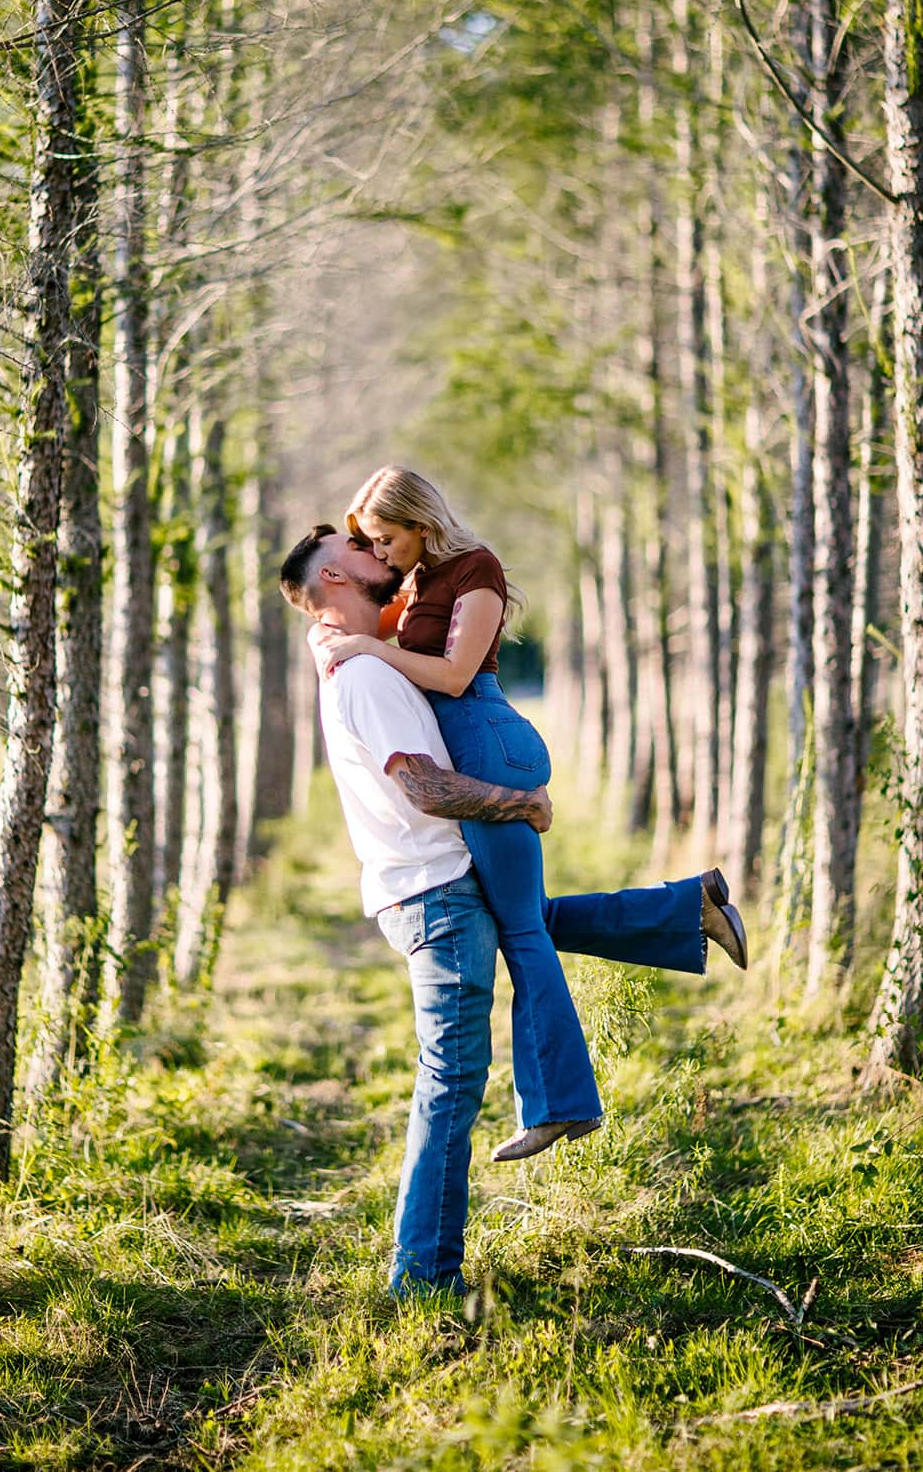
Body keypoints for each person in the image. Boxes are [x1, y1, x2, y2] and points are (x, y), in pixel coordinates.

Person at [310, 467, 747, 1163]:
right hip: (463, 745)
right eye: (371, 542)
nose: (382, 552)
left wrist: (368, 647)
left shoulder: (473, 568)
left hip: (483, 741)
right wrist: (338, 633)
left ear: (422, 520)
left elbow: (453, 674)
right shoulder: (414, 580)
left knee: (519, 928)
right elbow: (344, 620)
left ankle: (559, 1105)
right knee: (525, 917)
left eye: (387, 536)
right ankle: (687, 907)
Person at [279, 524, 557, 1296]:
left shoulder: (363, 657)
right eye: (363, 547)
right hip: (435, 893)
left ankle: (681, 914)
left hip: (438, 888)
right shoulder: (366, 677)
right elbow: (427, 787)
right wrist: (521, 803)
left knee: (538, 938)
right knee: (452, 1078)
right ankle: (422, 1275)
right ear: (336, 575)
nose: (383, 552)